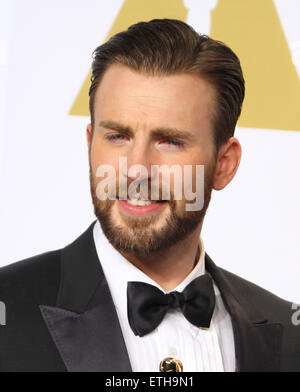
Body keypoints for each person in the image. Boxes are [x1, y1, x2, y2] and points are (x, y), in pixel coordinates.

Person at [0, 18, 299, 372]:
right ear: (90, 143)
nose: (136, 169)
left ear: (224, 164)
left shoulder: (290, 336)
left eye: (170, 141)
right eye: (117, 137)